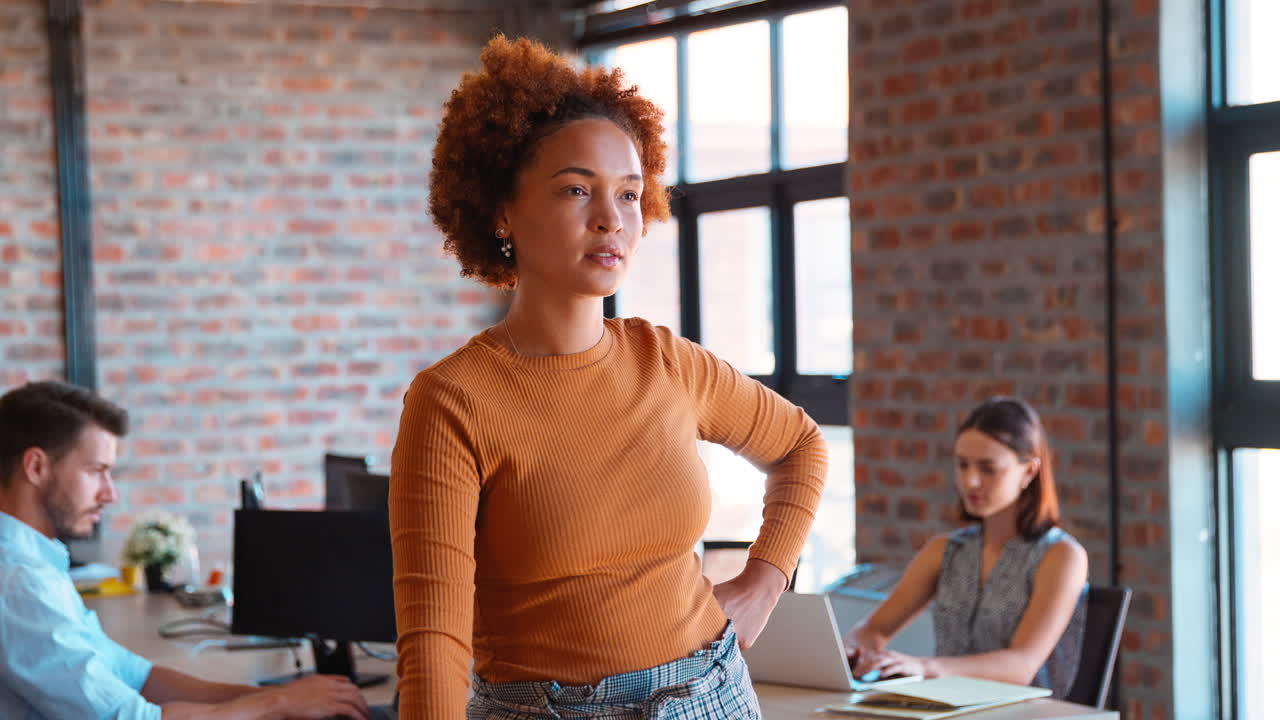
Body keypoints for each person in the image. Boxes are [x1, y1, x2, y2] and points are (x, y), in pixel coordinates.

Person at [390, 35, 828, 719]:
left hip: (711, 696)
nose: (611, 219)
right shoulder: (453, 401)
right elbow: (434, 643)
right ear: (502, 209)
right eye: (576, 189)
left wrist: (764, 582)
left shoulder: (668, 363)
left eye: (628, 194)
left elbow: (801, 446)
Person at [0, 380, 372, 719]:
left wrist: (285, 699)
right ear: (36, 467)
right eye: (96, 471)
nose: (109, 493)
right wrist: (276, 704)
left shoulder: (33, 563)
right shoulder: (20, 581)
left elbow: (136, 676)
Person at [844, 397, 1088, 696]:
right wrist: (852, 650)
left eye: (988, 468)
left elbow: (1022, 665)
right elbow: (875, 630)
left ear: (1029, 472)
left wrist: (925, 668)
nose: (970, 481)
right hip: (948, 708)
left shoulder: (1061, 556)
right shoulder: (945, 550)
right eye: (962, 465)